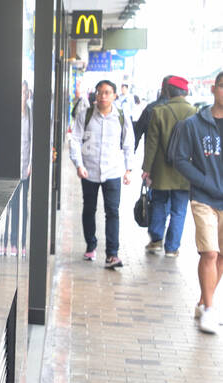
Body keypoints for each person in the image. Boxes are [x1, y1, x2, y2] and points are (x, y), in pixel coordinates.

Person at [170, 71, 223, 335]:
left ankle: (204, 301)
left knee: (222, 255)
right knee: (210, 252)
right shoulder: (194, 124)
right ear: (214, 89)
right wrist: (203, 181)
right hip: (204, 198)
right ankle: (211, 311)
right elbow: (179, 159)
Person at [69, 78, 134, 268]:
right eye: (99, 92)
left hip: (113, 171)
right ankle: (91, 245)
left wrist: (128, 169)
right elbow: (75, 140)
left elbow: (129, 144)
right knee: (89, 209)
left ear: (114, 95)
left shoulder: (122, 117)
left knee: (112, 211)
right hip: (89, 171)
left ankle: (112, 254)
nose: (103, 96)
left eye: (107, 92)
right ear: (95, 94)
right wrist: (78, 164)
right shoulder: (85, 114)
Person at [141, 75, 195, 256]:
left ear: (167, 91)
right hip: (185, 171)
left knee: (158, 203)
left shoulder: (159, 111)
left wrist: (146, 168)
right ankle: (172, 248)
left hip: (161, 170)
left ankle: (156, 240)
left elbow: (152, 144)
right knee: (179, 209)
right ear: (185, 92)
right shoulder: (195, 112)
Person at [8, 80, 32, 256]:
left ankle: (21, 242)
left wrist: (31, 163)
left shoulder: (30, 116)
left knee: (23, 205)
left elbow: (33, 141)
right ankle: (11, 241)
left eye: (23, 93)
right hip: (10, 168)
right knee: (11, 205)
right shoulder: (8, 115)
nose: (21, 96)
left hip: (25, 167)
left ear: (27, 94)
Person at [132, 77, 170, 150]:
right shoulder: (181, 111)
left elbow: (137, 133)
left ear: (162, 89)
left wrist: (131, 153)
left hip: (151, 156)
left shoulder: (150, 108)